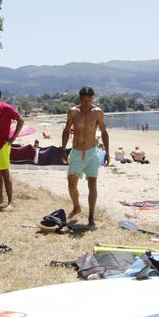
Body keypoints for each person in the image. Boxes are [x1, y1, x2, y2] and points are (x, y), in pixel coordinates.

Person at [61, 86, 109, 227]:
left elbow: (104, 132)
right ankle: (77, 207)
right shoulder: (73, 112)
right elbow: (66, 130)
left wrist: (107, 151)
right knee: (71, 185)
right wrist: (63, 148)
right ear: (80, 98)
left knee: (92, 184)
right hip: (76, 153)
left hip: (91, 154)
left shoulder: (98, 113)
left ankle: (91, 217)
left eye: (88, 100)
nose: (86, 103)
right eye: (83, 100)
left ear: (92, 98)